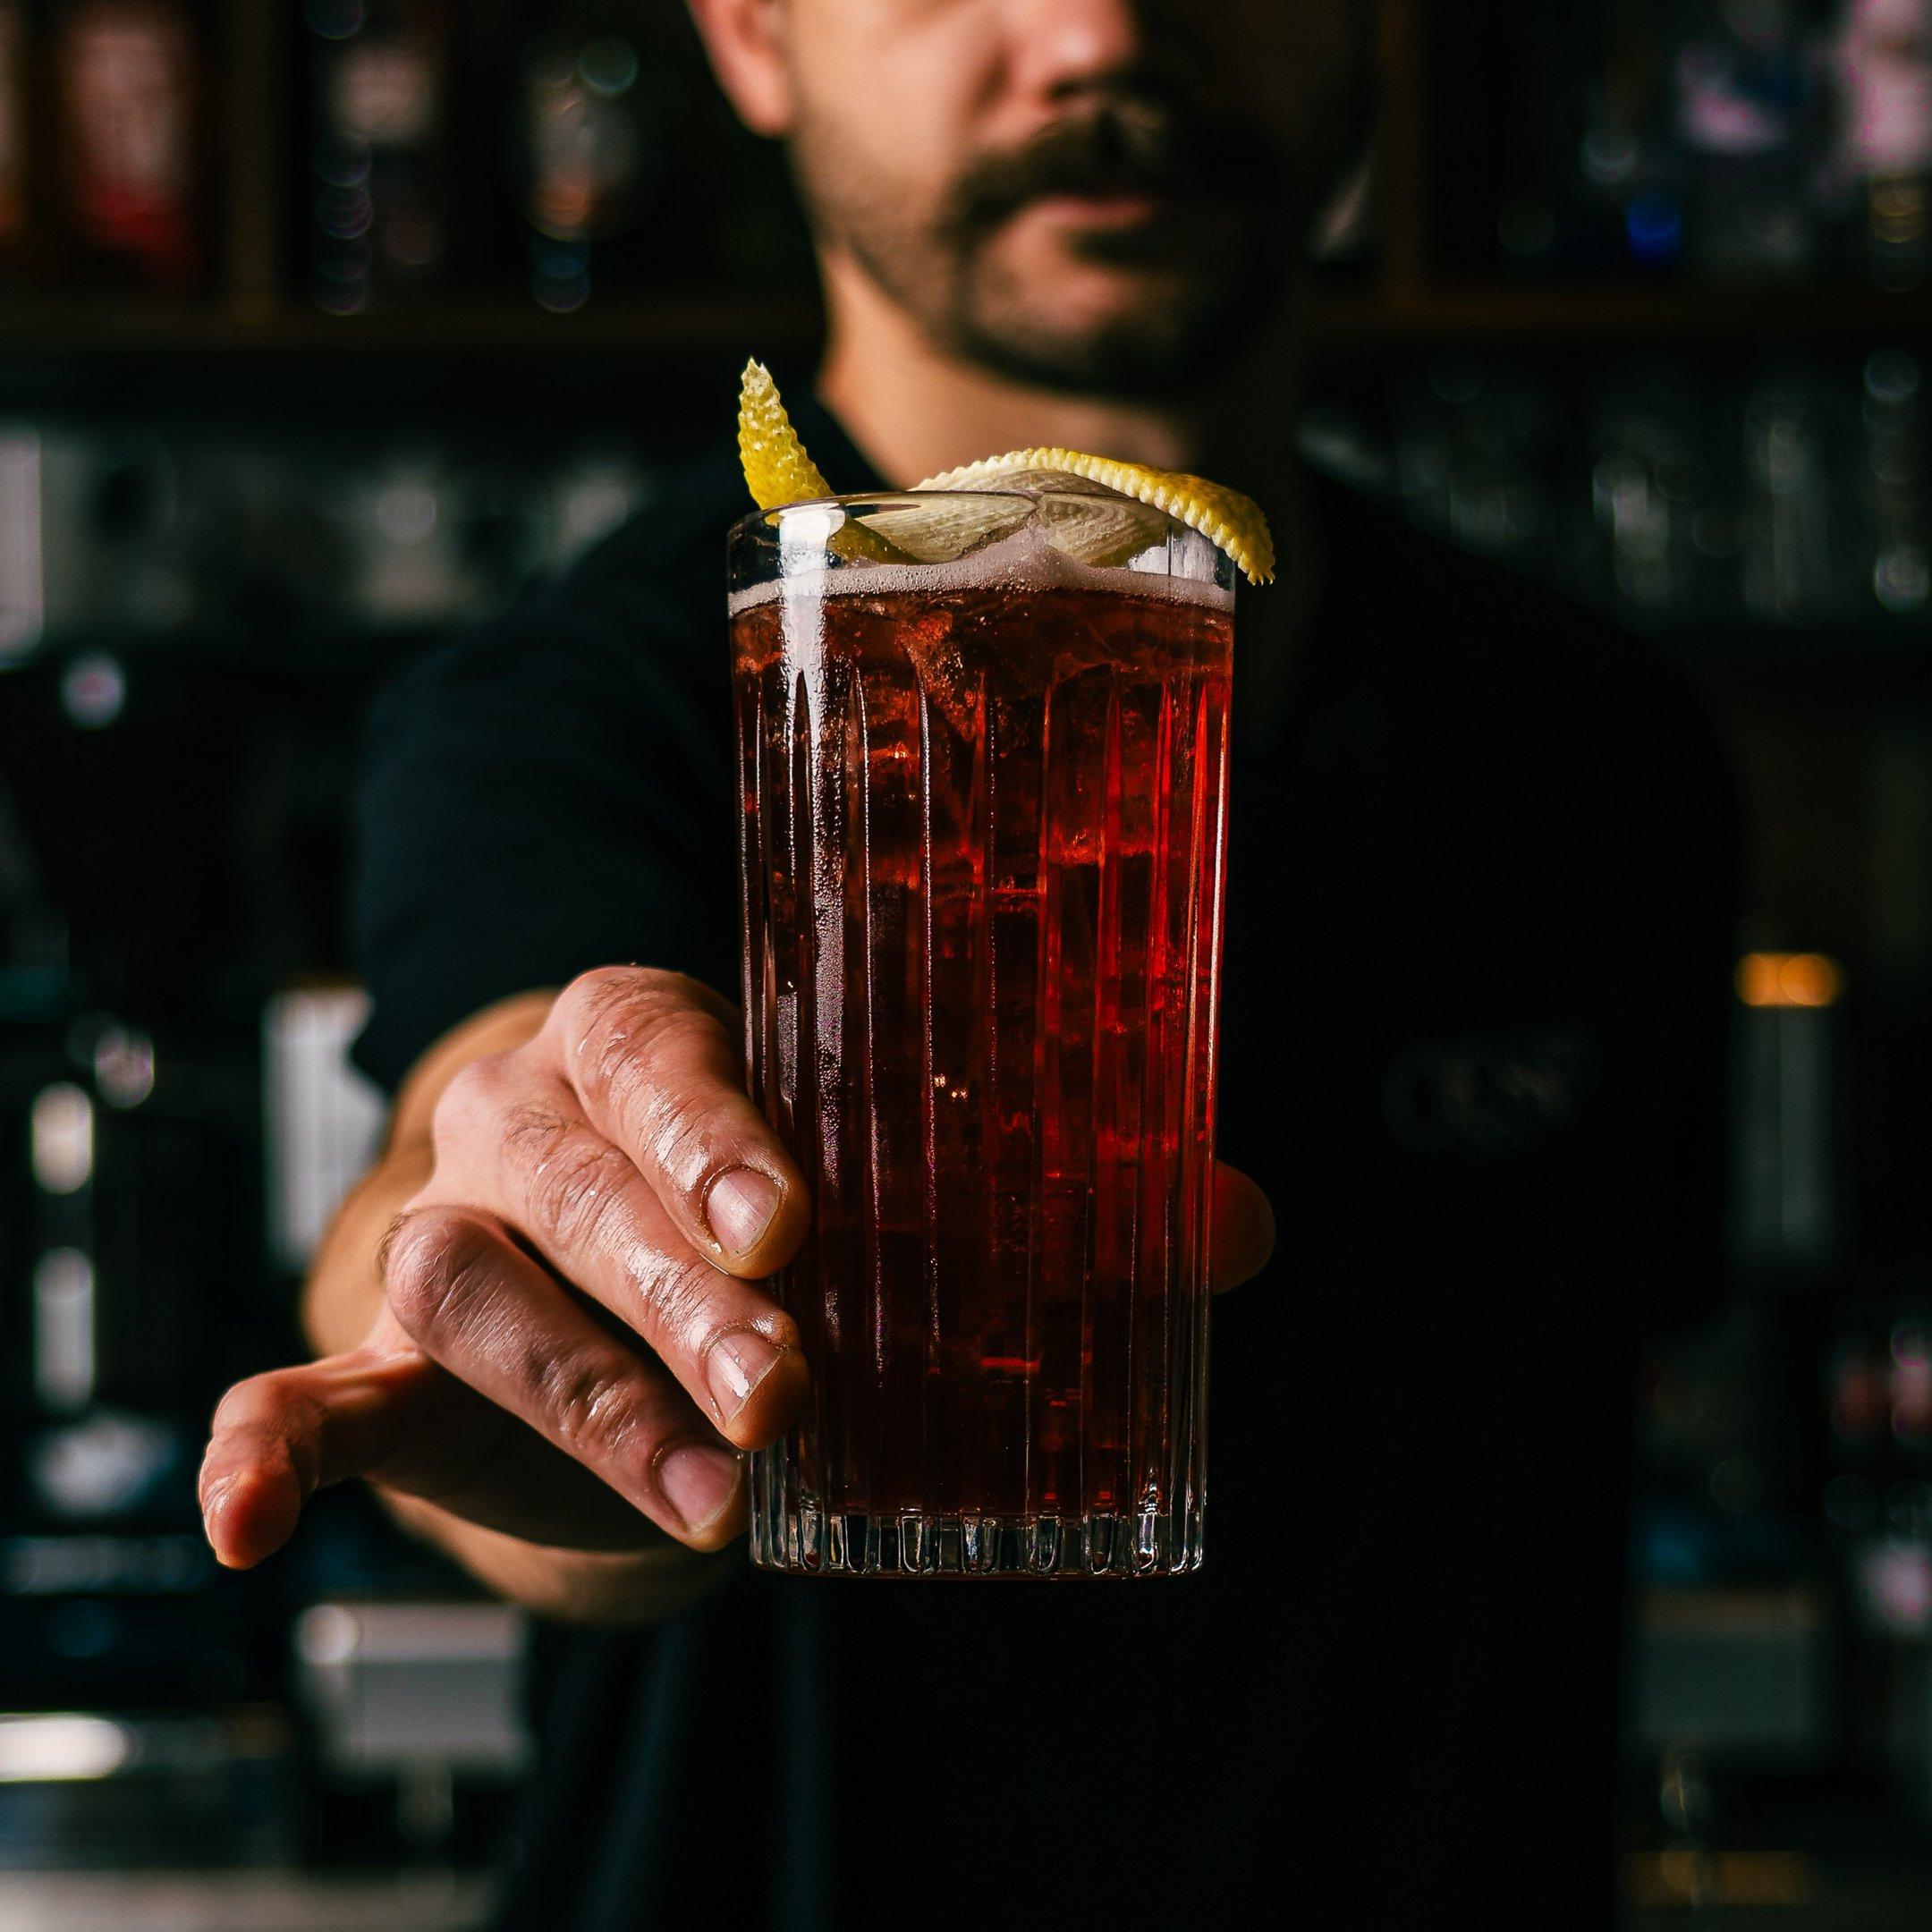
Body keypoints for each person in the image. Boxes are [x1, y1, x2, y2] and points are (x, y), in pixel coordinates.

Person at [199, 3, 1736, 1925]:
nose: (1101, 32)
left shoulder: (1603, 744)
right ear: (752, 37)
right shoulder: (569, 711)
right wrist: (554, 1330)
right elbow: (489, 1117)